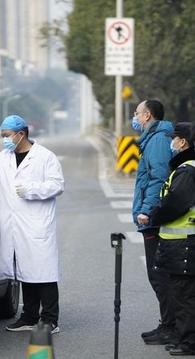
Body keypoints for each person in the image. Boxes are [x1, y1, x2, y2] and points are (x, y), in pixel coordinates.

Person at [0, 115, 64, 334]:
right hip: (14, 226)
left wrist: (32, 190)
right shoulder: (4, 158)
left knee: (44, 274)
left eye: (7, 135)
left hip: (37, 225)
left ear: (21, 134)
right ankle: (29, 316)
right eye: (3, 136)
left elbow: (57, 185)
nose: (5, 140)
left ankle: (50, 319)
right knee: (25, 273)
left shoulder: (45, 157)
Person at [131, 100, 176, 345]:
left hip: (153, 217)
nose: (134, 117)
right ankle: (169, 324)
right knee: (160, 274)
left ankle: (171, 326)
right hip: (153, 215)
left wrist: (147, 211)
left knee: (159, 275)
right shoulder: (154, 138)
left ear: (147, 115)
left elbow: (158, 178)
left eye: (137, 113)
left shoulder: (157, 140)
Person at [151, 122, 195, 356]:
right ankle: (183, 338)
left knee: (185, 295)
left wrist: (156, 214)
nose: (172, 142)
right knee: (183, 293)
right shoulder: (185, 167)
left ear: (183, 142)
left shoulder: (187, 170)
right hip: (180, 243)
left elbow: (176, 202)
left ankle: (189, 343)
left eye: (174, 138)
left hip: (184, 243)